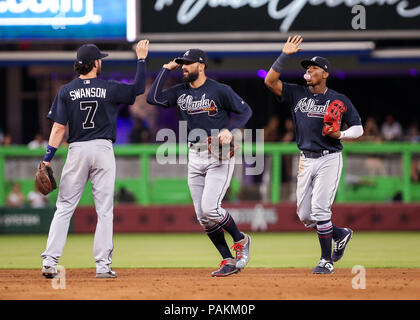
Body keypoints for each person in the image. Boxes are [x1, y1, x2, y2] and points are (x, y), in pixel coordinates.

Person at [40, 40, 150, 279]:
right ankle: (102, 266)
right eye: (100, 59)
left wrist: (48, 158)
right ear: (95, 63)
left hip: (77, 150)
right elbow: (138, 88)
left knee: (65, 207)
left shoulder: (66, 90)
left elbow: (59, 128)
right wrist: (141, 59)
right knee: (104, 210)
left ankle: (49, 261)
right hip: (102, 150)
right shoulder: (109, 88)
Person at [147, 48, 253, 277]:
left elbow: (245, 111)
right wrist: (166, 70)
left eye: (188, 63)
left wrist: (230, 129)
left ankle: (241, 239)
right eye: (182, 63)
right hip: (194, 156)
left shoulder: (219, 90)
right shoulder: (180, 91)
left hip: (218, 156)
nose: (184, 67)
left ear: (201, 66)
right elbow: (152, 98)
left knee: (210, 208)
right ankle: (227, 260)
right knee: (203, 216)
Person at [264, 35, 364, 274]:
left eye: (314, 68)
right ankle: (341, 234)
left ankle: (325, 260)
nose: (309, 70)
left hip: (329, 156)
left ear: (325, 74)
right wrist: (284, 55)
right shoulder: (296, 93)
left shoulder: (339, 99)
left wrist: (340, 135)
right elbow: (269, 81)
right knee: (306, 215)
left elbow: (358, 128)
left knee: (320, 209)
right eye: (307, 67)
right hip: (305, 159)